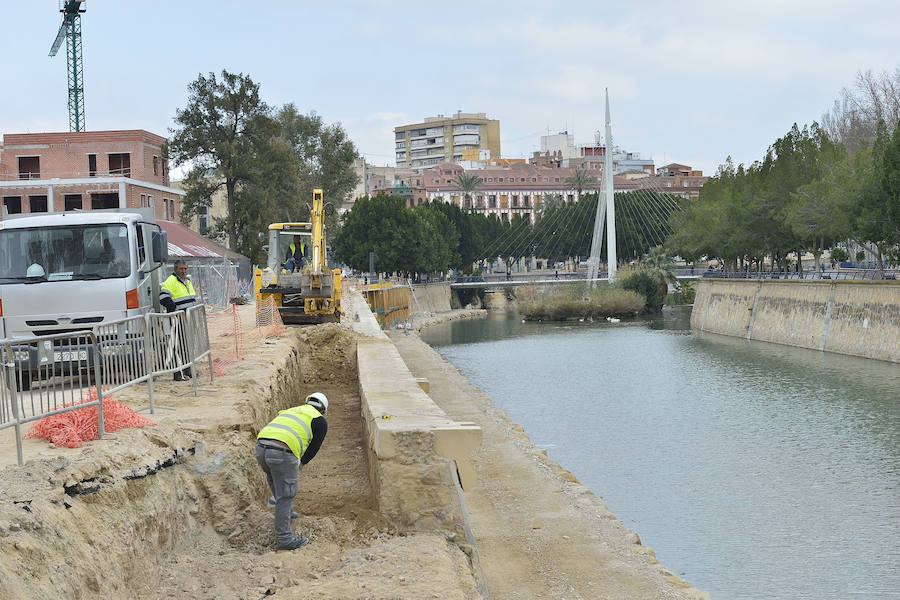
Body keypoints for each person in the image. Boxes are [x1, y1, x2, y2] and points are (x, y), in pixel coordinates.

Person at [255, 393, 329, 551]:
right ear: (323, 410)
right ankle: (285, 539)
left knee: (277, 485)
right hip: (281, 451)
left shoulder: (292, 410)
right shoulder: (319, 420)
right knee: (286, 494)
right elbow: (314, 447)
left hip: (261, 448)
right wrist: (302, 463)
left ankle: (286, 513)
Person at [159, 260, 197, 381]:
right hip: (177, 319)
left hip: (187, 319)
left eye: (185, 269)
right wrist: (174, 308)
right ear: (175, 269)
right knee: (177, 346)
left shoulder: (187, 281)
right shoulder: (171, 281)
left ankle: (188, 370)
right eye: (181, 269)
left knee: (187, 345)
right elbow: (163, 298)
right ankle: (177, 373)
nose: (183, 271)